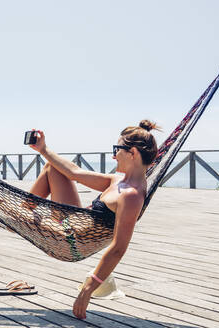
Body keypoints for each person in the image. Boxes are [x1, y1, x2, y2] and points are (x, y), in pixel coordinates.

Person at [28, 120, 160, 320]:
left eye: (117, 149)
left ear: (132, 152)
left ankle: (12, 214)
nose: (113, 155)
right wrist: (43, 149)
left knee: (12, 214)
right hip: (73, 223)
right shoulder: (119, 181)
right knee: (52, 167)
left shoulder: (131, 195)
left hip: (69, 242)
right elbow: (74, 172)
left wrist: (88, 289)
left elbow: (118, 248)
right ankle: (19, 211)